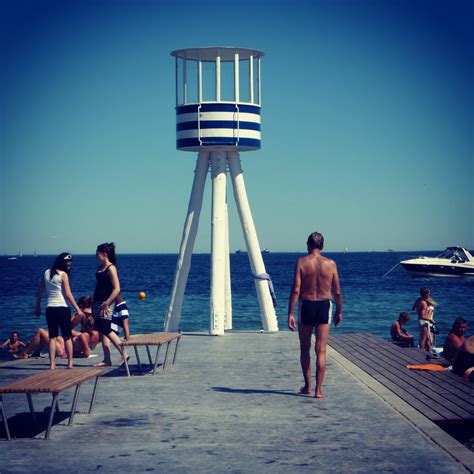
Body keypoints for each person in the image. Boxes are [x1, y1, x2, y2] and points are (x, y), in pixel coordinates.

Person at [288, 232, 342, 398]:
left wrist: (290, 312)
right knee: (321, 350)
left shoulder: (302, 262)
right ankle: (318, 391)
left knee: (305, 348)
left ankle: (307, 386)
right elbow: (337, 291)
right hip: (324, 306)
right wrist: (339, 311)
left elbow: (296, 289)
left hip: (307, 305)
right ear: (322, 246)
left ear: (308, 245)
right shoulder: (331, 264)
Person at [35, 252, 84, 369]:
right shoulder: (63, 275)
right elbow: (68, 294)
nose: (69, 264)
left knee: (53, 337)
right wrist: (78, 309)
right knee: (67, 336)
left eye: (70, 262)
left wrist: (37, 306)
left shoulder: (46, 272)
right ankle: (70, 363)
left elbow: (40, 291)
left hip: (50, 309)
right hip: (62, 309)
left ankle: (52, 364)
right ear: (62, 262)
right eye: (67, 262)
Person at [91, 243, 128, 367]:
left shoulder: (111, 268)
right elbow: (98, 286)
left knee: (106, 328)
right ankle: (107, 359)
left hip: (106, 303)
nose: (95, 255)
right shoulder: (100, 267)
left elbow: (117, 289)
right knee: (102, 330)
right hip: (97, 302)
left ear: (104, 254)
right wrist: (93, 301)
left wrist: (107, 303)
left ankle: (124, 353)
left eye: (97, 253)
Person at [412, 287, 436, 352]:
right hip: (423, 321)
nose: (429, 296)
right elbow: (423, 316)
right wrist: (430, 320)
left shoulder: (418, 300)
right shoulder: (424, 303)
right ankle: (421, 352)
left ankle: (429, 351)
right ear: (425, 294)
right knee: (424, 338)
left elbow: (413, 308)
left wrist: (418, 312)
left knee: (428, 338)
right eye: (428, 294)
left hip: (420, 320)